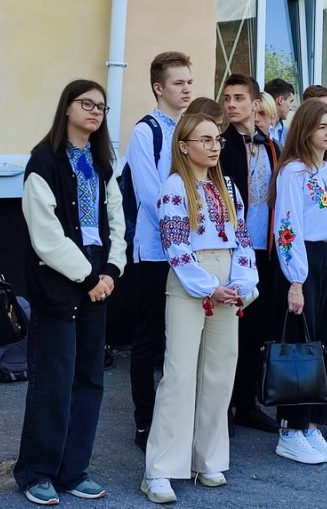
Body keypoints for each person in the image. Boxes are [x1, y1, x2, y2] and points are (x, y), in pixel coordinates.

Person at [13, 79, 126, 505]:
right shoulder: (43, 162)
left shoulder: (101, 163)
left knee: (89, 379)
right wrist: (88, 277)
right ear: (67, 108)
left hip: (99, 279)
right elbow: (46, 235)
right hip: (60, 282)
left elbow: (116, 220)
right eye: (87, 104)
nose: (95, 112)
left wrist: (112, 270)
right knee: (53, 381)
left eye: (101, 107)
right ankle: (37, 472)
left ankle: (73, 469)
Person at [141, 112, 258, 504]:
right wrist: (209, 287)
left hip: (228, 276)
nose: (214, 146)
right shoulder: (175, 187)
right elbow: (175, 244)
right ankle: (159, 470)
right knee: (179, 373)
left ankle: (207, 457)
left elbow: (242, 238)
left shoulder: (227, 186)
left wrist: (242, 282)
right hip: (191, 278)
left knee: (220, 370)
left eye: (217, 140)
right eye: (204, 140)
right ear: (183, 145)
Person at [271, 98, 327, 465]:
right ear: (305, 130)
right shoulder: (294, 172)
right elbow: (287, 226)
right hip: (303, 261)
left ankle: (313, 426)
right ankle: (291, 429)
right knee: (301, 351)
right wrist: (296, 281)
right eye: (322, 126)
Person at [128, 51, 193, 452]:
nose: (186, 89)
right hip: (156, 251)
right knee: (149, 339)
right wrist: (183, 228)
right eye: (178, 83)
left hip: (190, 249)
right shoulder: (146, 132)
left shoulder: (192, 129)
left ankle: (177, 418)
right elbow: (150, 194)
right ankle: (145, 422)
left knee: (181, 340)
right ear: (158, 88)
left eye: (189, 82)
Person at [219, 74, 279, 434]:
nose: (231, 104)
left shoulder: (270, 146)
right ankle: (221, 408)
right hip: (231, 251)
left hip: (265, 251)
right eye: (227, 98)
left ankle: (246, 403)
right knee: (227, 333)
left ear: (256, 104)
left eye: (239, 98)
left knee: (256, 331)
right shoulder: (221, 144)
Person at [264, 78, 295, 146]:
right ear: (281, 100)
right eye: (290, 101)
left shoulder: (287, 133)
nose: (290, 107)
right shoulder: (258, 128)